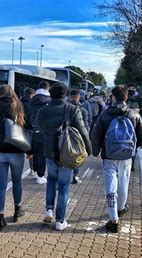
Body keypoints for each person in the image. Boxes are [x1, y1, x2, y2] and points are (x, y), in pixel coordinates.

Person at [91, 85, 142, 233]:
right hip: (126, 156)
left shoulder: (105, 114)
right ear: (126, 97)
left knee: (111, 185)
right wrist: (134, 148)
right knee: (123, 183)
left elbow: (96, 135)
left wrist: (95, 151)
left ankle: (113, 218)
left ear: (113, 97)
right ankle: (121, 208)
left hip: (109, 155)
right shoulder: (133, 114)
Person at [38, 82, 92, 231]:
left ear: (51, 94)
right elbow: (83, 130)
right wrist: (89, 148)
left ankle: (49, 210)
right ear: (66, 94)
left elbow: (40, 127)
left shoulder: (44, 110)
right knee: (63, 186)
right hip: (67, 153)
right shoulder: (72, 109)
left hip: (49, 151)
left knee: (51, 180)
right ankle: (60, 221)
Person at [0, 85, 28, 231]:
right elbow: (26, 126)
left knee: (1, 186)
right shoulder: (18, 106)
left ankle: (0, 218)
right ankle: (17, 210)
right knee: (17, 182)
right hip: (16, 151)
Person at [30, 81, 51, 184]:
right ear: (47, 89)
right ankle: (40, 176)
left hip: (32, 130)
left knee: (35, 152)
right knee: (42, 154)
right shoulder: (49, 101)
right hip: (44, 131)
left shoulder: (32, 100)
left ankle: (34, 171)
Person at [126, 84, 142, 171]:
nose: (131, 90)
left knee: (134, 144)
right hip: (125, 124)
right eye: (129, 88)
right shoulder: (125, 97)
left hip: (136, 124)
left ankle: (131, 162)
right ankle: (125, 160)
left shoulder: (140, 99)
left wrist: (139, 110)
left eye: (133, 88)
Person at [68, 89, 89, 184]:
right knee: (77, 156)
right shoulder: (83, 110)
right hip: (78, 137)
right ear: (79, 97)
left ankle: (67, 175)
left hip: (66, 137)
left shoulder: (65, 108)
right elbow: (86, 126)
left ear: (69, 97)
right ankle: (75, 176)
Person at [21, 87, 36, 175]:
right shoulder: (31, 104)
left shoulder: (19, 102)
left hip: (20, 128)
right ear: (32, 95)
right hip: (29, 128)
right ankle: (32, 169)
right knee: (30, 150)